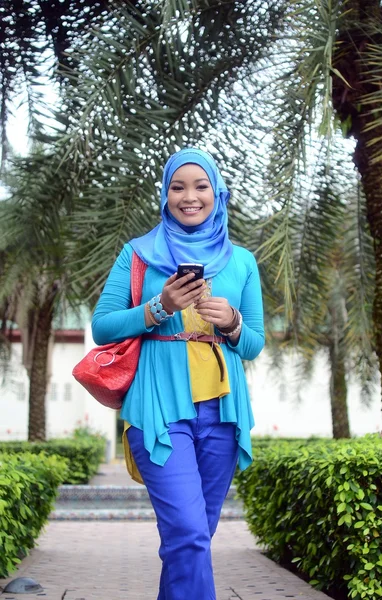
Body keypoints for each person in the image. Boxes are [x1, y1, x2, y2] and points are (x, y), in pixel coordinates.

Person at [91, 148, 264, 600]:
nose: (189, 196)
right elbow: (102, 326)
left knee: (191, 543)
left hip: (223, 413)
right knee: (188, 534)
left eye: (200, 186)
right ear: (165, 194)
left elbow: (255, 343)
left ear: (217, 192)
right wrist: (159, 307)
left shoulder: (242, 261)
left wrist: (231, 323)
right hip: (158, 409)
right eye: (177, 187)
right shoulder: (138, 254)